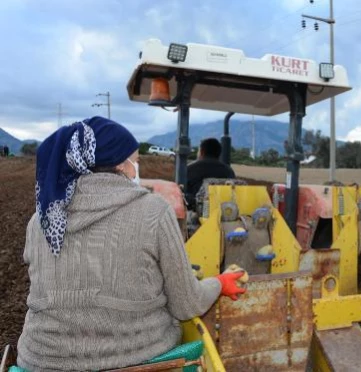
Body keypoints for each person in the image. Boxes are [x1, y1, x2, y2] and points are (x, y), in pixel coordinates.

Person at [16, 117, 246, 371]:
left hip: (40, 360)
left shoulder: (41, 220)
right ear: (120, 164)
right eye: (134, 161)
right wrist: (219, 283)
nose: (135, 169)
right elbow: (186, 304)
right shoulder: (154, 210)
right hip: (135, 357)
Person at [186, 138, 236, 208]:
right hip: (224, 210)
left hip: (196, 211)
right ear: (219, 153)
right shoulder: (229, 171)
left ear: (202, 152)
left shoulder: (190, 169)